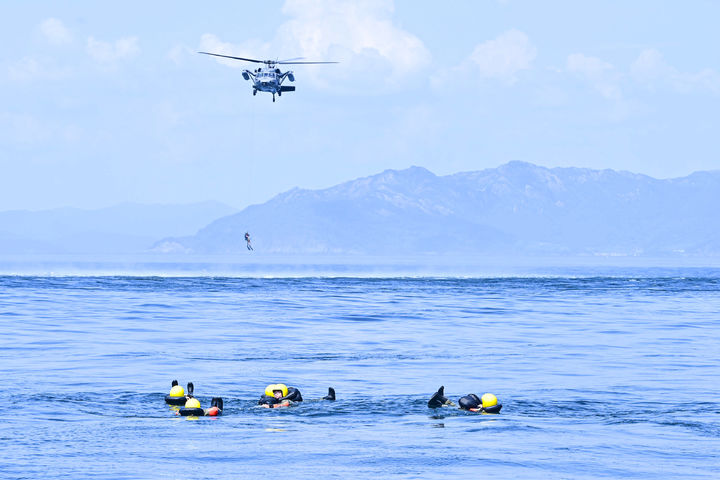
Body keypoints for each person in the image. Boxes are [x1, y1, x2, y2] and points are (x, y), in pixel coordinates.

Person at [427, 385, 502, 413]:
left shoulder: (482, 408)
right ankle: (439, 398)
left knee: (452, 406)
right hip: (464, 409)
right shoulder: (483, 409)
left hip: (465, 408)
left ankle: (439, 399)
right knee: (453, 407)